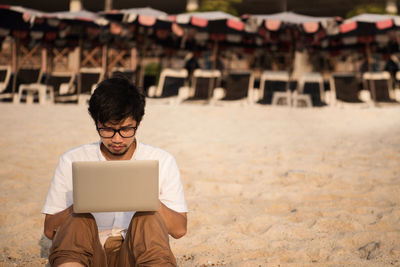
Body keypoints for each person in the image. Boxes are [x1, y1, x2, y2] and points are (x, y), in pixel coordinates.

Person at [42, 76, 188, 267]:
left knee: (148, 216)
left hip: (136, 256)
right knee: (78, 218)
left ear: (139, 123)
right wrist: (80, 204)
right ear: (96, 123)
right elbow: (49, 229)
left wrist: (151, 201)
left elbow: (179, 230)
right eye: (108, 130)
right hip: (90, 255)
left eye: (126, 129)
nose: (117, 139)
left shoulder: (162, 160)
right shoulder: (72, 159)